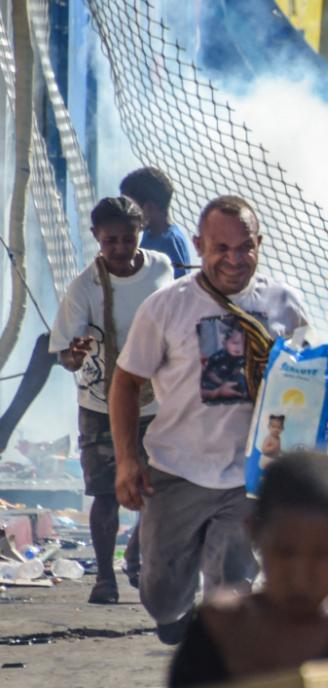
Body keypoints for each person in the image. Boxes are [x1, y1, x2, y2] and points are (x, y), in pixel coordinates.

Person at [111, 195, 309, 643]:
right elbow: (125, 383)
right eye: (221, 249)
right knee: (161, 592)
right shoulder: (167, 307)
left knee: (231, 590)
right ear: (199, 246)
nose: (234, 260)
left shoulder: (283, 303)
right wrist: (126, 460)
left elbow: (306, 384)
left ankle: (220, 658)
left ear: (259, 244)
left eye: (245, 248)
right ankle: (173, 618)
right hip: (176, 471)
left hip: (249, 477)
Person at [169, 451, 328, 687]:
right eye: (285, 553)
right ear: (255, 534)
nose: (301, 577)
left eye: (322, 555)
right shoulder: (215, 633)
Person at [48, 197, 174, 604]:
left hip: (157, 401)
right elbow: (65, 357)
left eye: (128, 239)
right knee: (105, 493)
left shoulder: (161, 268)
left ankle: (136, 553)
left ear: (141, 234)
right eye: (110, 241)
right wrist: (76, 354)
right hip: (101, 403)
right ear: (95, 239)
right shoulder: (84, 288)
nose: (120, 249)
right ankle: (105, 577)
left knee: (159, 487)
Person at [120, 166, 193, 278]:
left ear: (149, 208)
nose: (126, 215)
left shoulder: (169, 242)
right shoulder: (149, 233)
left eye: (130, 208)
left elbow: (179, 286)